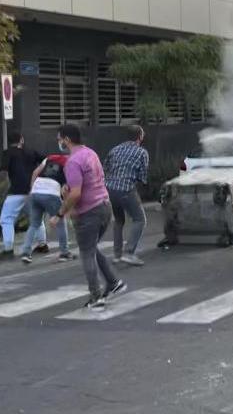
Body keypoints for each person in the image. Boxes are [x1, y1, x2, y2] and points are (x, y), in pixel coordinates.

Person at [50, 124, 126, 310]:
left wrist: (59, 214)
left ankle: (96, 296)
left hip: (88, 213)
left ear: (67, 139)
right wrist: (68, 188)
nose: (59, 142)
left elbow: (76, 194)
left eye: (60, 139)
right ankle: (113, 282)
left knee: (86, 254)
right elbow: (89, 182)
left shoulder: (73, 161)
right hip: (104, 207)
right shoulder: (91, 154)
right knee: (91, 248)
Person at [0, 131, 47, 261]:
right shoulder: (31, 151)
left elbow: (3, 172)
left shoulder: (7, 153)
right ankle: (42, 244)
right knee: (36, 216)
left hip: (16, 191)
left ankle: (8, 249)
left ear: (10, 142)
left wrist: (1, 182)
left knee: (6, 218)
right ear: (22, 140)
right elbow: (46, 160)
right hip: (32, 191)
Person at [104, 124, 150, 266]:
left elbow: (105, 168)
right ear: (140, 137)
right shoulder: (142, 153)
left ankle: (117, 255)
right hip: (126, 189)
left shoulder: (115, 149)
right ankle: (129, 253)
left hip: (109, 189)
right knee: (140, 220)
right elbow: (142, 177)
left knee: (119, 221)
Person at [19, 153, 74, 265]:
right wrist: (67, 206)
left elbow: (35, 173)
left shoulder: (50, 158)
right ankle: (64, 253)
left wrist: (31, 190)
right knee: (60, 222)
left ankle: (26, 253)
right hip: (52, 193)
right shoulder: (71, 163)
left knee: (34, 224)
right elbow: (66, 188)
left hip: (36, 191)